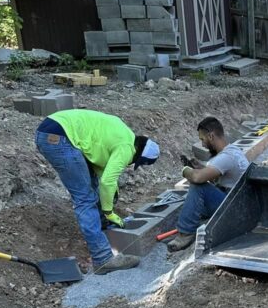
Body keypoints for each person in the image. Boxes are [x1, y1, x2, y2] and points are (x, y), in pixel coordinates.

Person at [35, 109, 160, 274]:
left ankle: (103, 226)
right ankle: (102, 258)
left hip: (54, 129)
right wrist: (108, 211)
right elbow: (108, 181)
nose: (131, 163)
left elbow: (100, 169)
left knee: (92, 182)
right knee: (85, 198)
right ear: (139, 156)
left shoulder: (123, 133)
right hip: (60, 138)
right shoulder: (127, 148)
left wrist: (112, 194)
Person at [167, 116, 249, 252]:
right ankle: (193, 219)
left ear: (211, 136)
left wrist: (186, 170)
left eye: (202, 139)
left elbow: (197, 178)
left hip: (235, 209)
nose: (203, 144)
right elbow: (219, 179)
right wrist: (201, 168)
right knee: (197, 199)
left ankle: (185, 233)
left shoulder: (226, 157)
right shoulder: (232, 151)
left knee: (198, 186)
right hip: (238, 202)